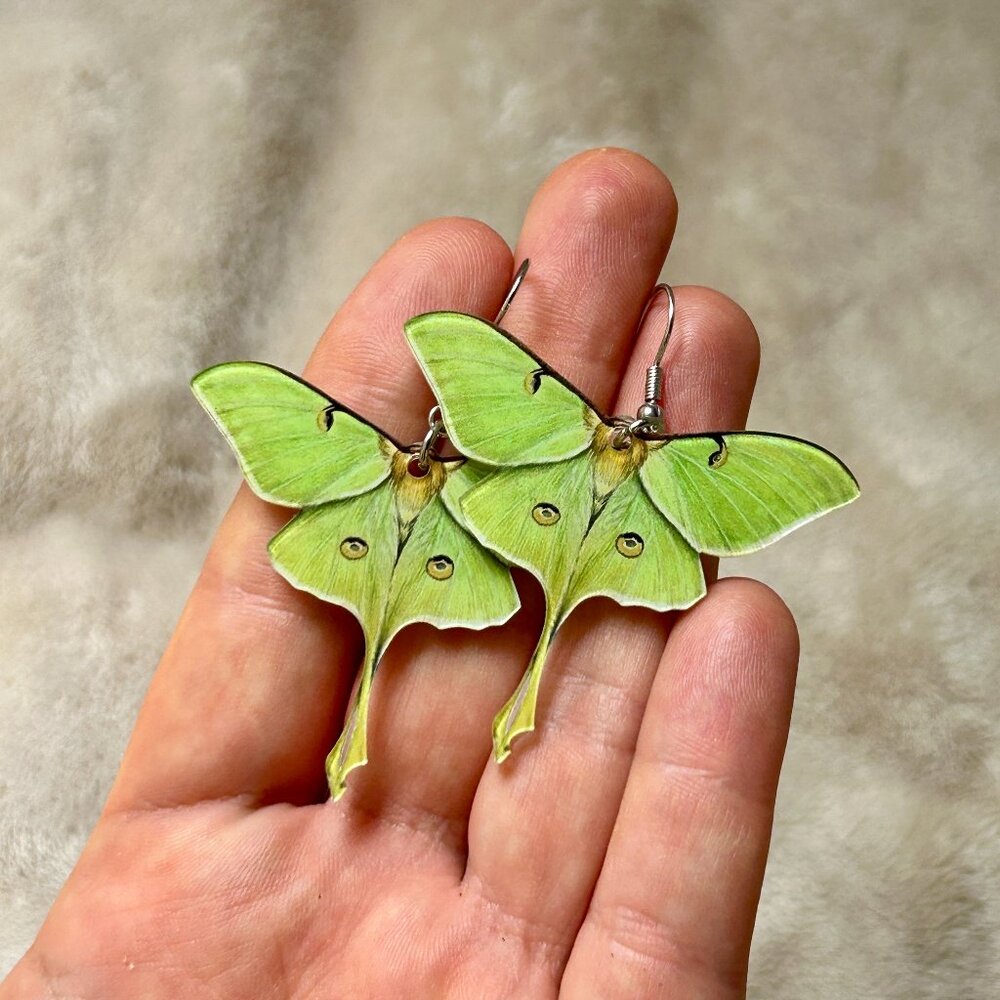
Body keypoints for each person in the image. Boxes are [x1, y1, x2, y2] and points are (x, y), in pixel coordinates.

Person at [1, 148, 798, 999]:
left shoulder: (510, 461)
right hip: (445, 512)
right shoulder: (468, 463)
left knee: (547, 620)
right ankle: (432, 728)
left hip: (524, 510)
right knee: (444, 628)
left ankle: (468, 718)